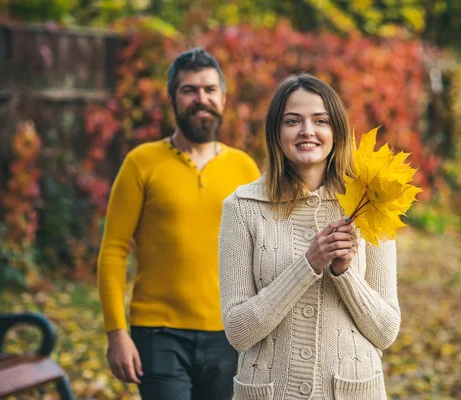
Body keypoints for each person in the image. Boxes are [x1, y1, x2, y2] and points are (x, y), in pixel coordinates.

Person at [218, 73, 401, 399]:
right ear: (276, 132)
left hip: (350, 391)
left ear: (337, 131)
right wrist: (308, 264)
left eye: (321, 120)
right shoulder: (242, 208)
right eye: (293, 121)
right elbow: (238, 331)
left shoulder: (370, 201)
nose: (307, 131)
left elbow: (386, 331)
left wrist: (345, 274)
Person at [97, 48, 261, 400]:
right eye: (189, 90)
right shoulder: (141, 163)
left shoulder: (245, 169)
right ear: (172, 99)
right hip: (158, 334)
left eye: (209, 89)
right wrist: (116, 332)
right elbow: (113, 251)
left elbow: (264, 252)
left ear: (223, 98)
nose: (201, 99)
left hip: (231, 333)